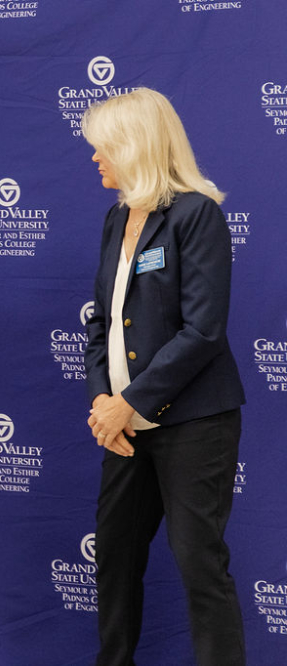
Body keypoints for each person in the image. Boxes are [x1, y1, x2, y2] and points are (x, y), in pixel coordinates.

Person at [81, 88, 246, 666]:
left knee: (199, 561)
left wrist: (129, 401)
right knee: (115, 557)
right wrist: (103, 398)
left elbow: (203, 331)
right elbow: (101, 320)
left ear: (134, 146)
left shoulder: (196, 213)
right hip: (123, 426)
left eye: (103, 148)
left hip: (194, 424)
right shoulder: (116, 217)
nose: (96, 159)